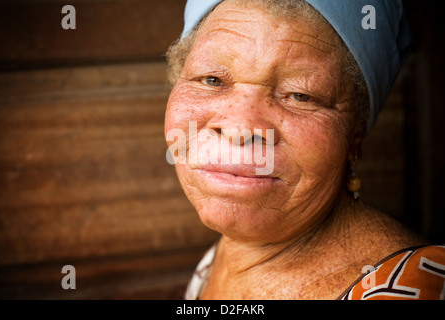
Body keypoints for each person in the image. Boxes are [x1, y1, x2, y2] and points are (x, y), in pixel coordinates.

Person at [164, 0, 445, 300]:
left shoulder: (411, 290)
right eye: (212, 79)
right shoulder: (223, 255)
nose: (238, 129)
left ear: (355, 138)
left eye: (300, 95)